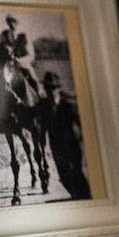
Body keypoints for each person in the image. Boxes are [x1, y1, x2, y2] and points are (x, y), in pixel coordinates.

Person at [40, 71, 91, 200]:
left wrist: (85, 139)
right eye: (48, 88)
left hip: (72, 145)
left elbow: (81, 122)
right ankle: (77, 197)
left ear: (58, 89)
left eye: (53, 87)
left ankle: (86, 198)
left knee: (77, 174)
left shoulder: (68, 105)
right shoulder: (44, 105)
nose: (50, 91)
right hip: (57, 148)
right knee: (64, 177)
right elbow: (33, 115)